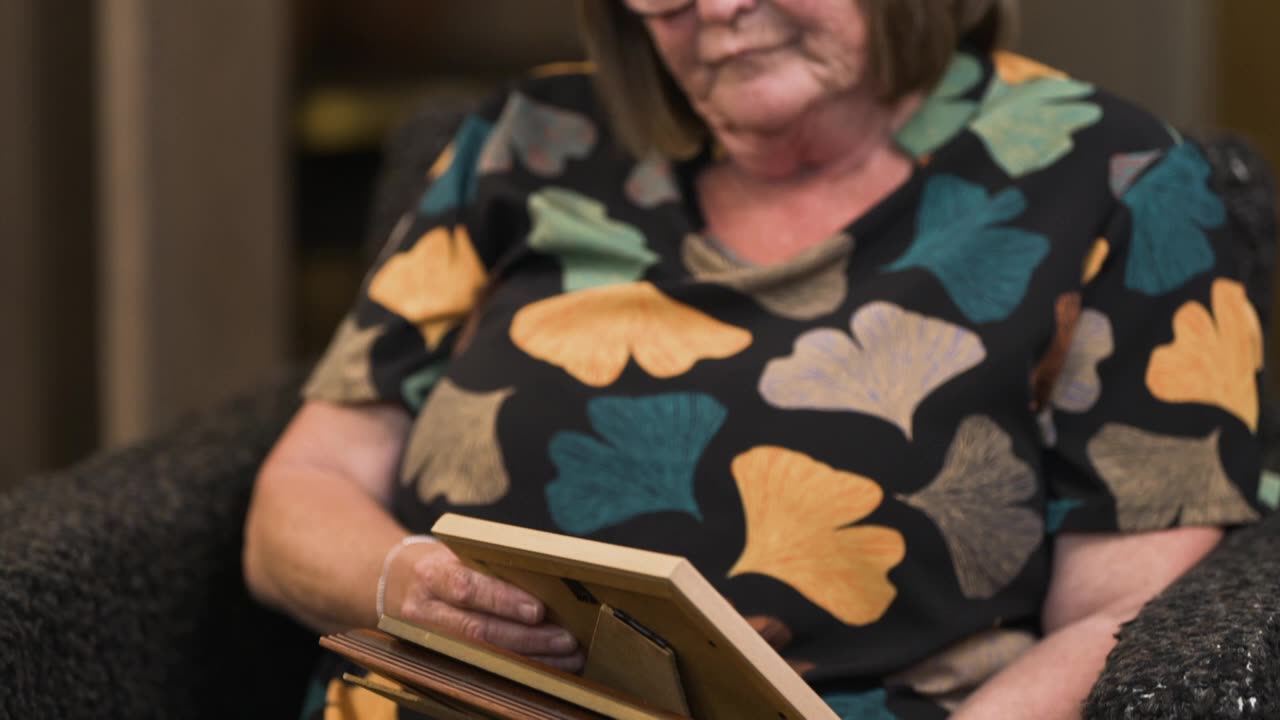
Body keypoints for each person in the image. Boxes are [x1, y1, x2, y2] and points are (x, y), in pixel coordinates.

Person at [243, 0, 1270, 717]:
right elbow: (302, 488)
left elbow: (1124, 616)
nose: (719, 10)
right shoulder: (530, 141)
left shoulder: (1116, 182)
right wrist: (403, 581)